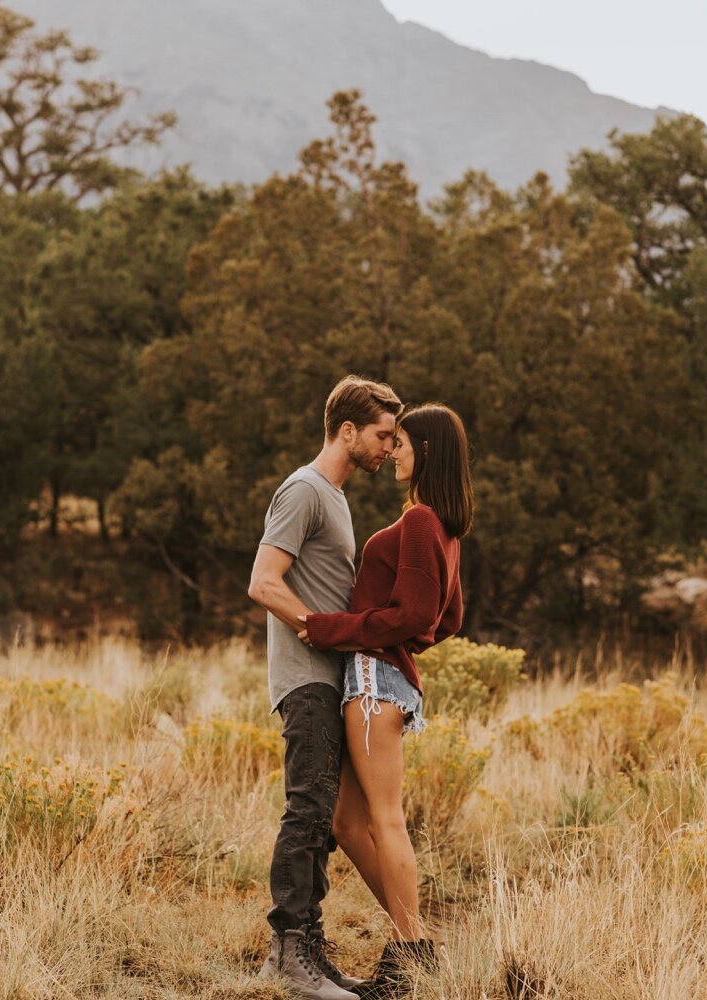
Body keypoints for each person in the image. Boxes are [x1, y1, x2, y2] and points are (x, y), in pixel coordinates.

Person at [298, 403, 473, 999]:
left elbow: (421, 616)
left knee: (385, 819)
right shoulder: (440, 527)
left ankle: (408, 951)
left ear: (426, 449)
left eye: (402, 442)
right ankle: (415, 941)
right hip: (380, 677)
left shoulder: (424, 521)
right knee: (348, 822)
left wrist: (332, 628)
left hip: (373, 680)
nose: (393, 451)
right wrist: (405, 638)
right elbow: (447, 619)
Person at [249, 375, 402, 1000]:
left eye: (394, 440)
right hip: (306, 678)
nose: (390, 449)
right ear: (347, 430)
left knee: (325, 817)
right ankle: (289, 955)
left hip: (330, 679)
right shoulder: (305, 490)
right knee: (308, 810)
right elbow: (263, 581)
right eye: (382, 436)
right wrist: (319, 630)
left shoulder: (336, 499)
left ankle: (308, 952)